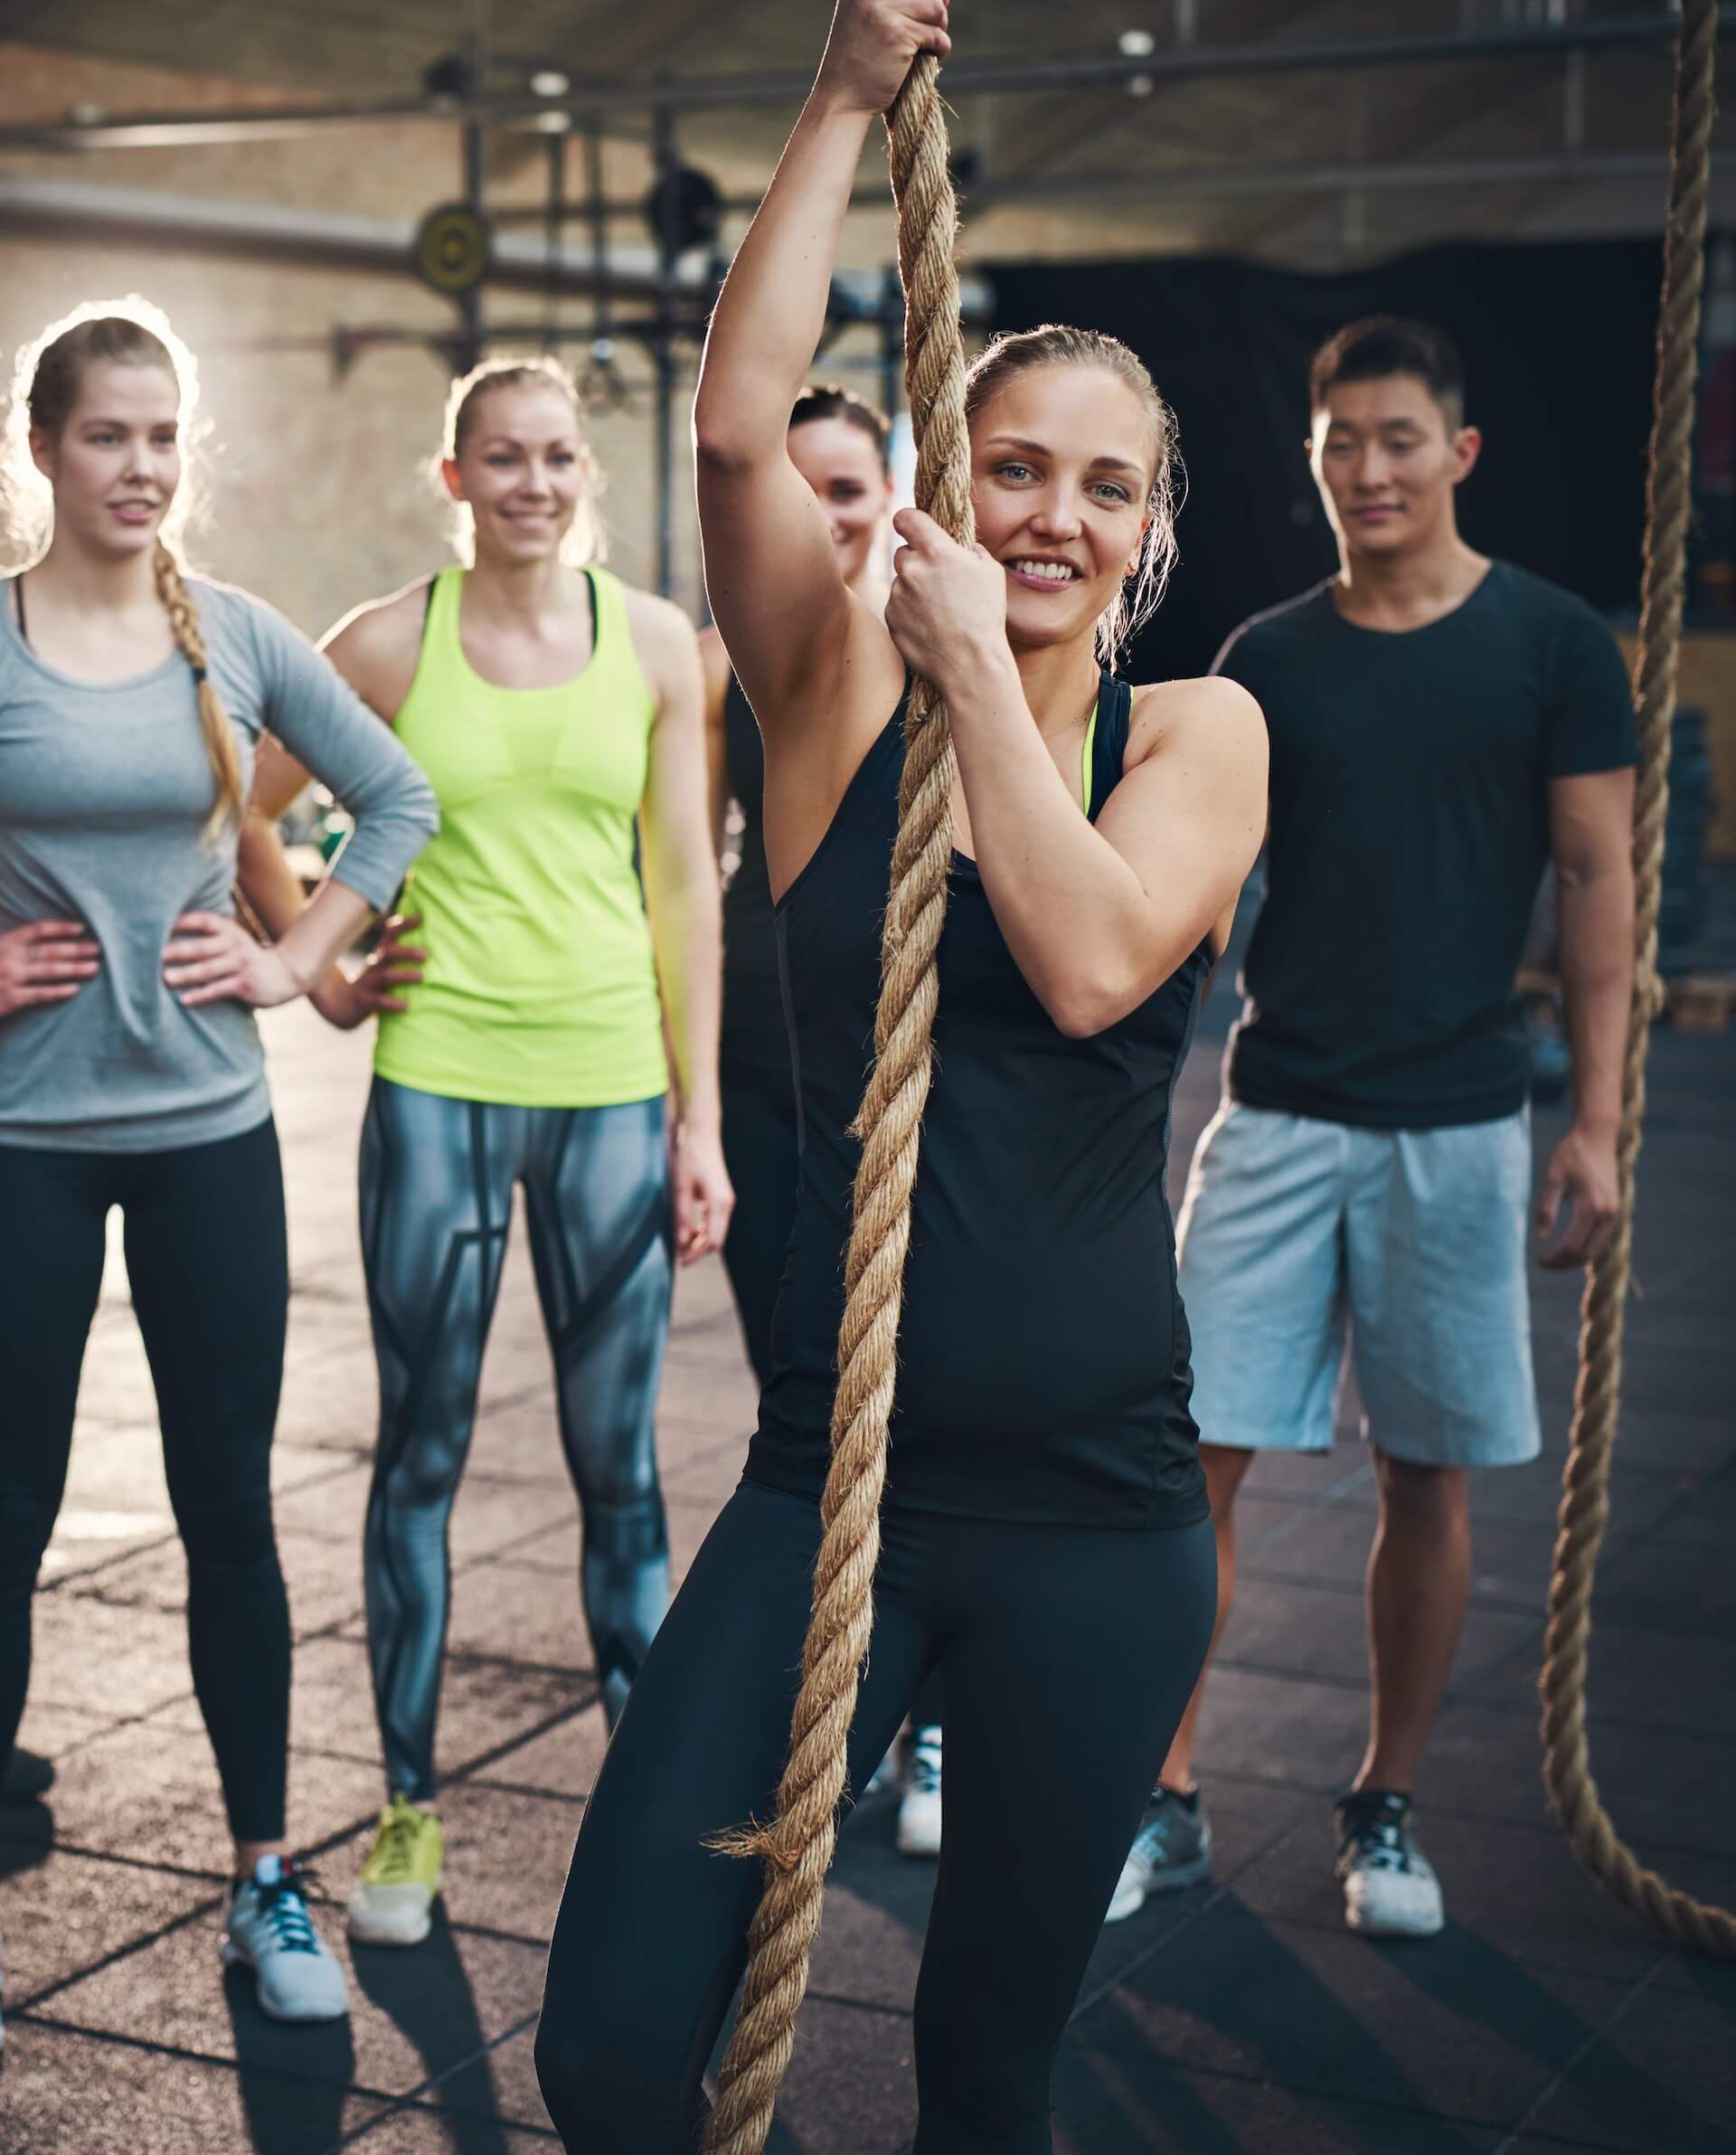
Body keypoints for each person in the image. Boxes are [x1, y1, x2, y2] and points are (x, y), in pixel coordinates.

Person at [532, 5, 1267, 2147]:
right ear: (949, 479)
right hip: (830, 1492)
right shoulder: (840, 698)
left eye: (1102, 490)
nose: (1051, 514)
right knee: (604, 2052)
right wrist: (846, 95)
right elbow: (743, 434)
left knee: (987, 2069)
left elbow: (1098, 950)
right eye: (1013, 466)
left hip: (1105, 1528)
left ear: (1146, 541)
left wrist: (986, 680)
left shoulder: (1201, 736)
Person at [1108, 315, 1637, 1939]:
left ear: (1459, 454)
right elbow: (1201, 890)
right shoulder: (1267, 655)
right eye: (1341, 441)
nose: (1368, 468)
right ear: (1316, 462)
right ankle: (1165, 1795)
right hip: (1274, 1113)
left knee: (1429, 1482)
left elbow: (1601, 883)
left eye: (1399, 438)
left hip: (1463, 1127)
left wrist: (1598, 1123)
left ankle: (1385, 1804)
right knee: (1185, 1471)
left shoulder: (1554, 647)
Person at [235, 355, 731, 1952]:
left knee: (623, 1481)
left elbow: (686, 891)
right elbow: (240, 805)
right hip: (438, 1081)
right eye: (501, 458)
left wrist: (698, 1115)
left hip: (606, 1090)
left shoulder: (656, 645)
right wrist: (315, 963)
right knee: (423, 1459)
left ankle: (646, 1834)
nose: (532, 480)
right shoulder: (385, 645)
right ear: (453, 478)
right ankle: (402, 1816)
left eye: (557, 456)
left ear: (585, 472)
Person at [0, 305, 439, 2027]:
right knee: (6, 1520)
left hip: (207, 1138)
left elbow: (394, 800)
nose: (141, 467)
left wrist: (291, 956)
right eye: (109, 434)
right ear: (42, 446)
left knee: (227, 1514)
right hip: (22, 1140)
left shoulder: (234, 638)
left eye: (166, 436)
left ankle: (266, 1878)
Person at [699, 382, 945, 1859]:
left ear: (892, 494)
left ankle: (927, 1732)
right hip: (765, 1071)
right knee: (808, 1417)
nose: (818, 515)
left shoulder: (964, 655)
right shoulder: (755, 656)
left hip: (904, 1083)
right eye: (797, 491)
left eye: (844, 488)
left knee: (936, 1418)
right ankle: (831, 1718)